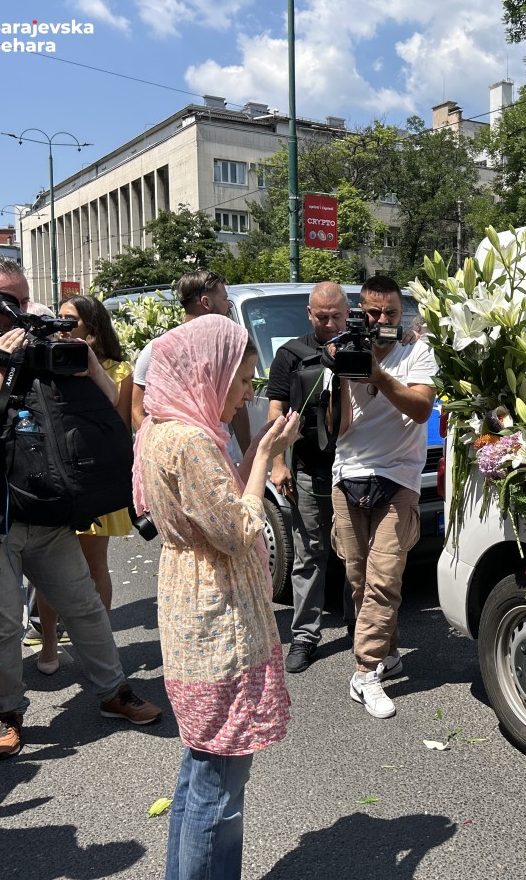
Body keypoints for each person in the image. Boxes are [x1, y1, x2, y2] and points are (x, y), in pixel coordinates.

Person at [0, 255, 162, 759]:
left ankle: (114, 693)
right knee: (1, 623)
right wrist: (2, 365)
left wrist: (86, 359)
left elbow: (112, 412)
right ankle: (7, 713)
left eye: (23, 296)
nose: (18, 308)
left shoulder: (39, 344)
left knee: (84, 607)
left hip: (43, 505)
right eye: (4, 300)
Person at [134, 314, 300, 879]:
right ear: (210, 372)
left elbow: (213, 515)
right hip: (218, 615)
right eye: (243, 379)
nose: (248, 393)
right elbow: (238, 529)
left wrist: (259, 452)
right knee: (220, 784)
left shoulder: (162, 425)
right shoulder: (191, 441)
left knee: (201, 766)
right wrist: (263, 461)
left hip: (190, 602)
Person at [330, 275, 436, 719]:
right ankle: (387, 652)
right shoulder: (342, 348)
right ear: (359, 310)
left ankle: (365, 672)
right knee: (358, 579)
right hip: (347, 473)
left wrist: (377, 374)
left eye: (391, 313)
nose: (382, 321)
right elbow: (338, 428)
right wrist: (340, 371)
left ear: (401, 312)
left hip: (399, 478)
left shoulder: (417, 350)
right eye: (373, 313)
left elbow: (420, 408)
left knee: (385, 577)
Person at [30, 294, 134, 676]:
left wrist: (91, 367)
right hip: (57, 473)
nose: (61, 327)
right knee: (49, 567)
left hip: (98, 475)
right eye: (58, 319)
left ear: (92, 324)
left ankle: (99, 647)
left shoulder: (119, 368)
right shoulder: (48, 360)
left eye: (69, 321)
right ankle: (49, 647)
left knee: (95, 565)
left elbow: (121, 421)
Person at [267, 281, 349, 673]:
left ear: (348, 312)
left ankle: (360, 628)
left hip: (355, 468)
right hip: (309, 468)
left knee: (356, 555)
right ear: (309, 314)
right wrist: (277, 463)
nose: (330, 323)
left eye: (337, 316)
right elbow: (277, 412)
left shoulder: (365, 350)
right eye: (322, 317)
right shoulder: (290, 355)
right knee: (309, 553)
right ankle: (304, 636)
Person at [131, 270, 249, 455]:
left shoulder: (226, 350)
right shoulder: (158, 350)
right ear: (206, 303)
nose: (229, 307)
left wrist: (250, 458)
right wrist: (164, 456)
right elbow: (138, 413)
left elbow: (239, 408)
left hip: (223, 460)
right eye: (225, 299)